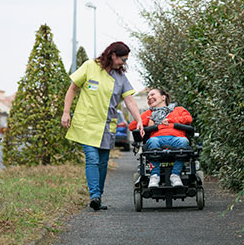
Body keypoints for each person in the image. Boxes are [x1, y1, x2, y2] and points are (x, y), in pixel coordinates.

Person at [61, 41, 144, 211]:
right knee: (92, 159)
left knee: (103, 162)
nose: (124, 63)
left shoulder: (120, 77)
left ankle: (99, 195)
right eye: (123, 59)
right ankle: (95, 196)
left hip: (107, 125)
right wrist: (66, 112)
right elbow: (72, 89)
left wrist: (140, 120)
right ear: (113, 55)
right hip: (86, 123)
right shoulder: (90, 66)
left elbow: (129, 100)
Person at [129, 88, 193, 188]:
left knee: (183, 141)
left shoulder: (178, 110)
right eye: (148, 96)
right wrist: (149, 121)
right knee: (153, 141)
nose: (149, 97)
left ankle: (175, 175)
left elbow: (188, 119)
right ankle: (155, 176)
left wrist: (170, 120)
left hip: (176, 138)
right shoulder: (148, 114)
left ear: (163, 97)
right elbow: (132, 126)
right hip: (157, 139)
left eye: (152, 94)